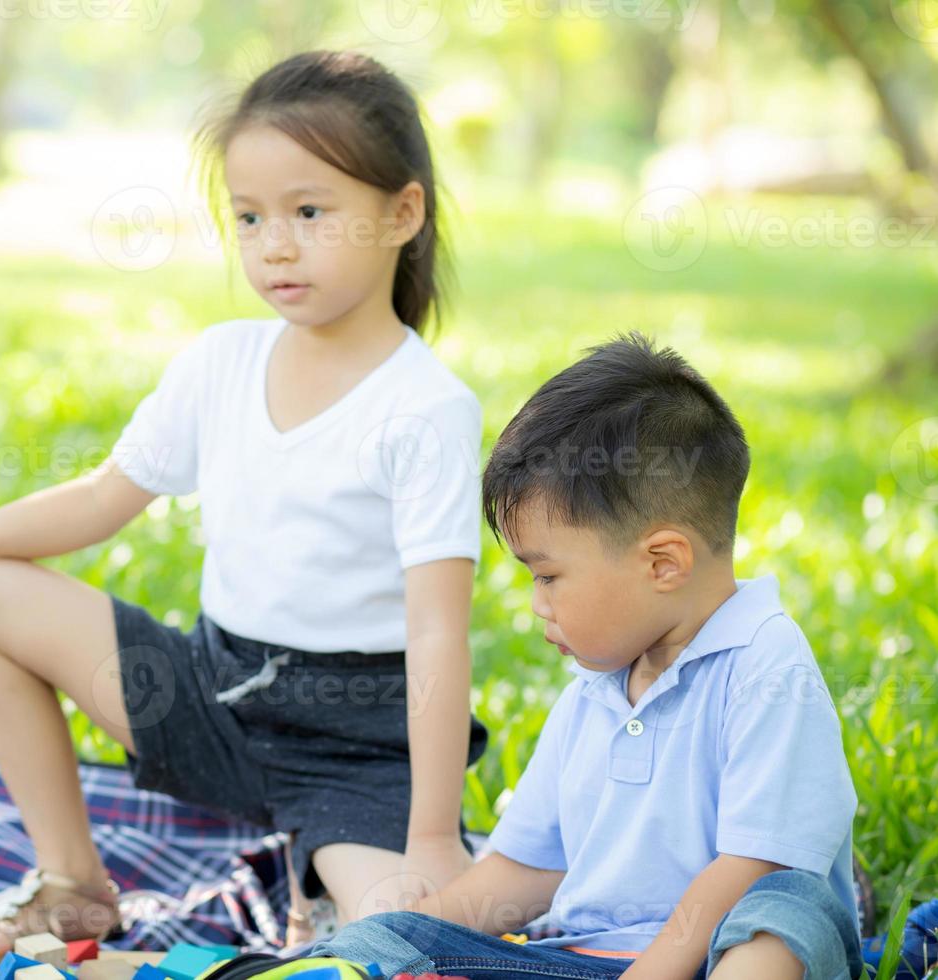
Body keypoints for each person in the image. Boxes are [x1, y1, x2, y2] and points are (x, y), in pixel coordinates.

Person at [0, 50, 488, 952]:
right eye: (249, 216)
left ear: (403, 212)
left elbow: (438, 632)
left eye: (310, 212)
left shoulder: (424, 407)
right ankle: (74, 883)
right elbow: (101, 497)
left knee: (401, 932)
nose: (274, 243)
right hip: (212, 690)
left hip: (355, 743)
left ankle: (351, 872)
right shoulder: (222, 362)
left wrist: (431, 840)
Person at [310, 334, 862, 978]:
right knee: (390, 939)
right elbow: (532, 865)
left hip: (719, 955)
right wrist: (425, 924)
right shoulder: (595, 689)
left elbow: (753, 862)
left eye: (547, 576)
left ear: (663, 563)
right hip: (591, 958)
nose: (537, 603)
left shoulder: (765, 666)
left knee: (783, 911)